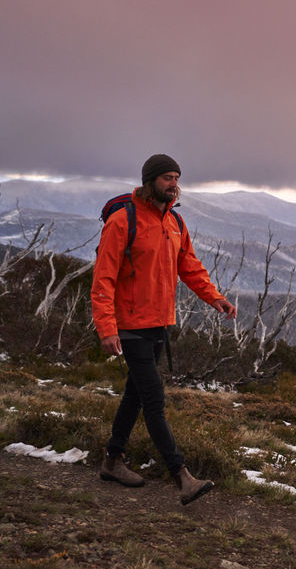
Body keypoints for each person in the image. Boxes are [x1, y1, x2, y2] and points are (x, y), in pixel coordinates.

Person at [91, 153, 237, 505]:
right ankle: (182, 476)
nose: (173, 184)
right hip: (130, 325)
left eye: (176, 178)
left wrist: (215, 298)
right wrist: (106, 327)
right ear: (150, 181)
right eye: (167, 178)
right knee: (154, 401)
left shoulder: (174, 221)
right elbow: (103, 277)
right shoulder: (123, 221)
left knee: (135, 395)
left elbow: (190, 267)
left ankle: (112, 461)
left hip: (159, 323)